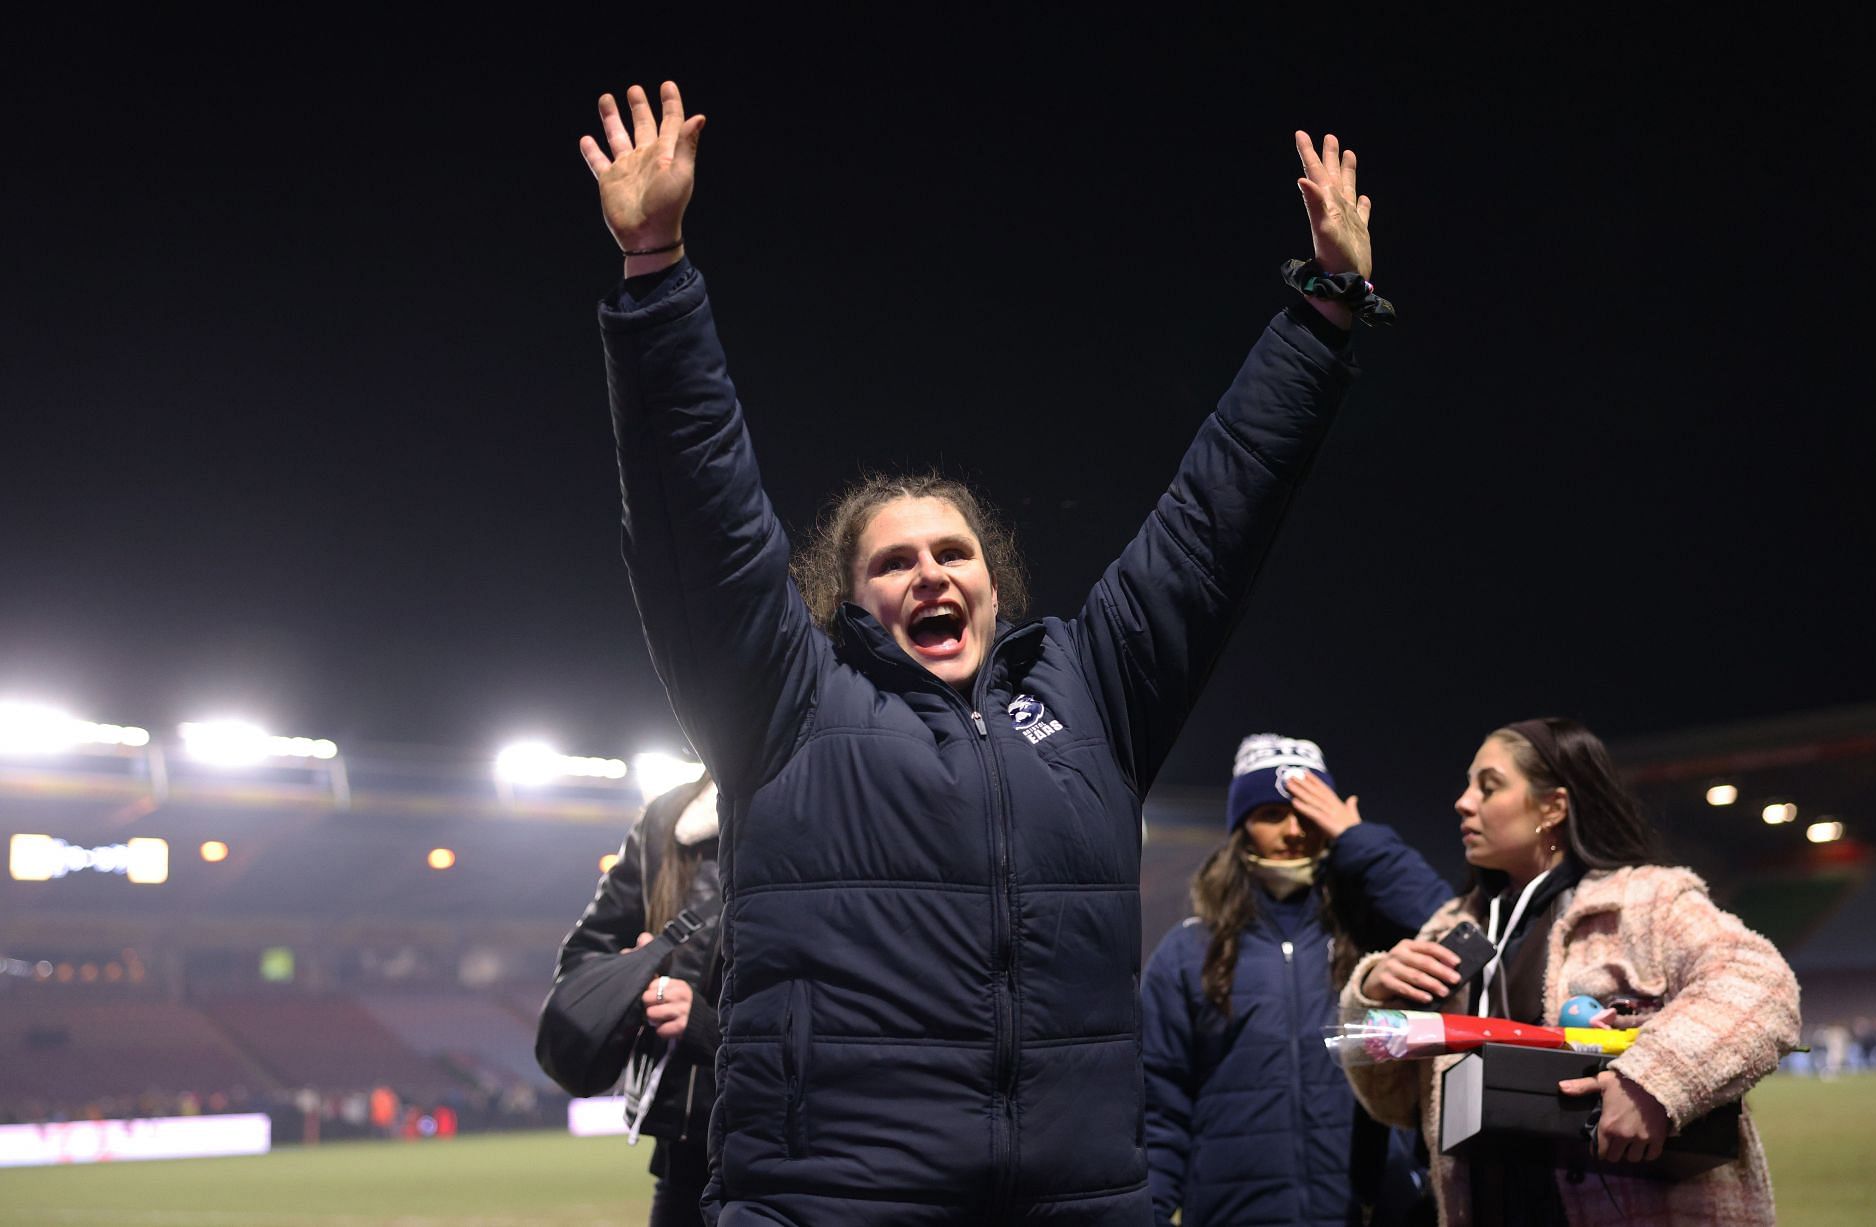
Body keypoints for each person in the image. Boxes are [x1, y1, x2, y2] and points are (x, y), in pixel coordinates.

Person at [581, 79, 1383, 1225]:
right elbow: (696, 517)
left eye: (952, 552)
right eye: (893, 562)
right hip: (832, 1203)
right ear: (845, 598)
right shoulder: (787, 701)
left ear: (994, 587)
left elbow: (1220, 516)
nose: (930, 574)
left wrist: (1326, 307)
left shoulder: (1094, 692)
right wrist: (655, 269)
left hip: (1077, 1202)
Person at [1342, 718, 1801, 1226]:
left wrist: (1653, 1079)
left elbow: (1763, 984)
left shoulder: (1646, 900)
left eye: (1488, 786)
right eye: (1468, 785)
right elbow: (1396, 1104)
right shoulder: (1450, 929)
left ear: (1553, 807)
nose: (1463, 802)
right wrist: (1374, 998)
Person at [1141, 735, 1451, 1227]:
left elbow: (1459, 936)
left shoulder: (1379, 939)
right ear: (1241, 826)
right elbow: (1159, 1116)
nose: (1293, 831)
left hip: (1372, 1212)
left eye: (1309, 813)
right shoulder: (1187, 954)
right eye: (1271, 813)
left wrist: (1360, 840)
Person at [546, 772, 722, 1227]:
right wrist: (627, 976)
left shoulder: (830, 805)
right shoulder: (668, 818)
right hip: (685, 1158)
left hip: (795, 1154)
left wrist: (710, 1028)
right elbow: (583, 960)